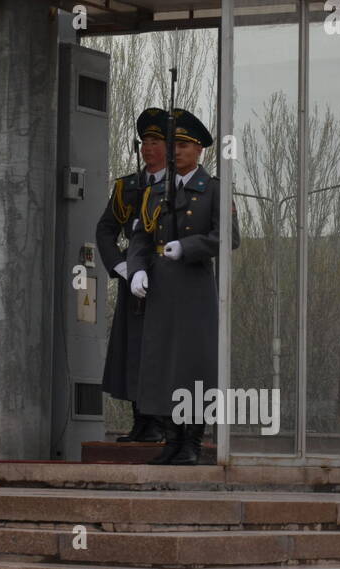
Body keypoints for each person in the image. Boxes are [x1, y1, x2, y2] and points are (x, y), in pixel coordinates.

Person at [127, 108, 239, 465]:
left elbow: (229, 238)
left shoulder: (214, 190)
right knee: (163, 366)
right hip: (161, 289)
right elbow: (141, 238)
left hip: (193, 289)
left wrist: (188, 248)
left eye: (184, 146)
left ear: (199, 151)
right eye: (173, 145)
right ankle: (171, 438)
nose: (176, 152)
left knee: (193, 366)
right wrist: (136, 271)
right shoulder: (156, 190)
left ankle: (192, 440)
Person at [96, 107, 169, 443]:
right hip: (134, 277)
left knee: (162, 350)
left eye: (155, 141)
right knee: (134, 350)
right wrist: (121, 266)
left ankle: (161, 421)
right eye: (144, 142)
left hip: (167, 276)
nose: (147, 148)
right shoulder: (128, 186)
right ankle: (140, 420)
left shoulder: (178, 186)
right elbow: (106, 229)